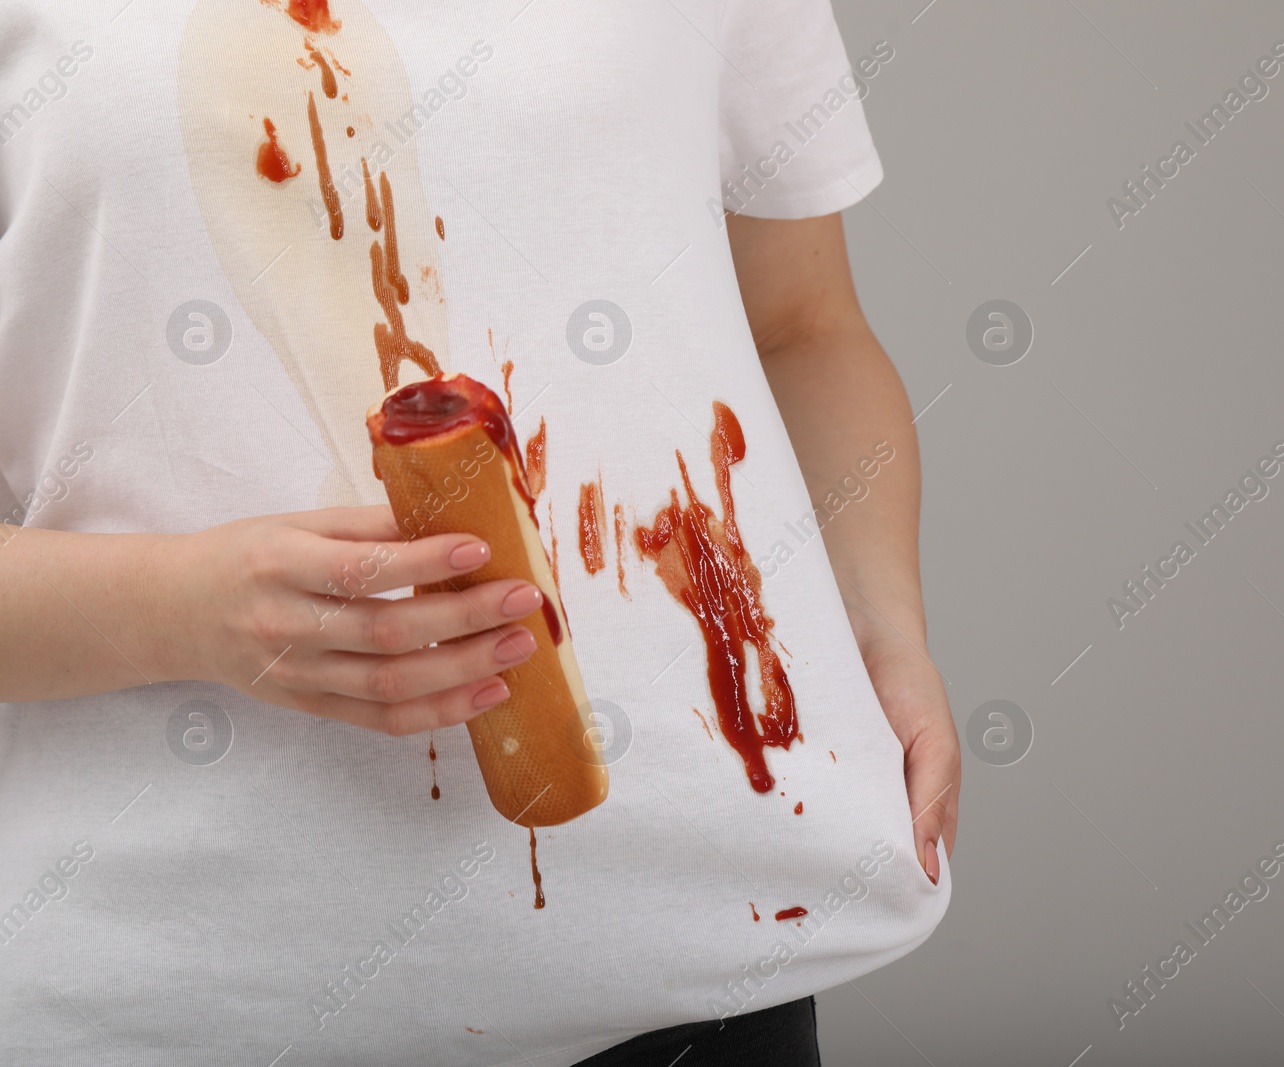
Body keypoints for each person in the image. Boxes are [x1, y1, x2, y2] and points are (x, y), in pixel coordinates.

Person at [0, 1, 958, 1063]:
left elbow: (804, 328)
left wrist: (885, 635)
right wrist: (181, 609)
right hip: (172, 990)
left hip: (689, 953)